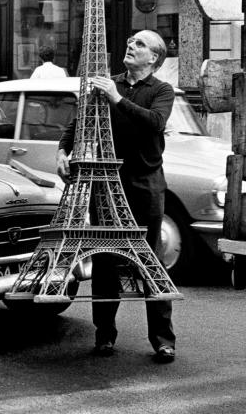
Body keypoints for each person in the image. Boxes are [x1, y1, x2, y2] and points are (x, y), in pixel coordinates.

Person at [56, 29, 176, 363]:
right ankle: (104, 335)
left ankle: (163, 340)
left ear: (153, 57)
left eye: (139, 43)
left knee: (151, 261)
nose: (130, 45)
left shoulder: (161, 90)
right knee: (105, 263)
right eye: (129, 40)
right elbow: (80, 120)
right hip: (108, 182)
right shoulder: (109, 82)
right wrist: (63, 149)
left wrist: (117, 99)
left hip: (144, 183)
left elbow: (154, 123)